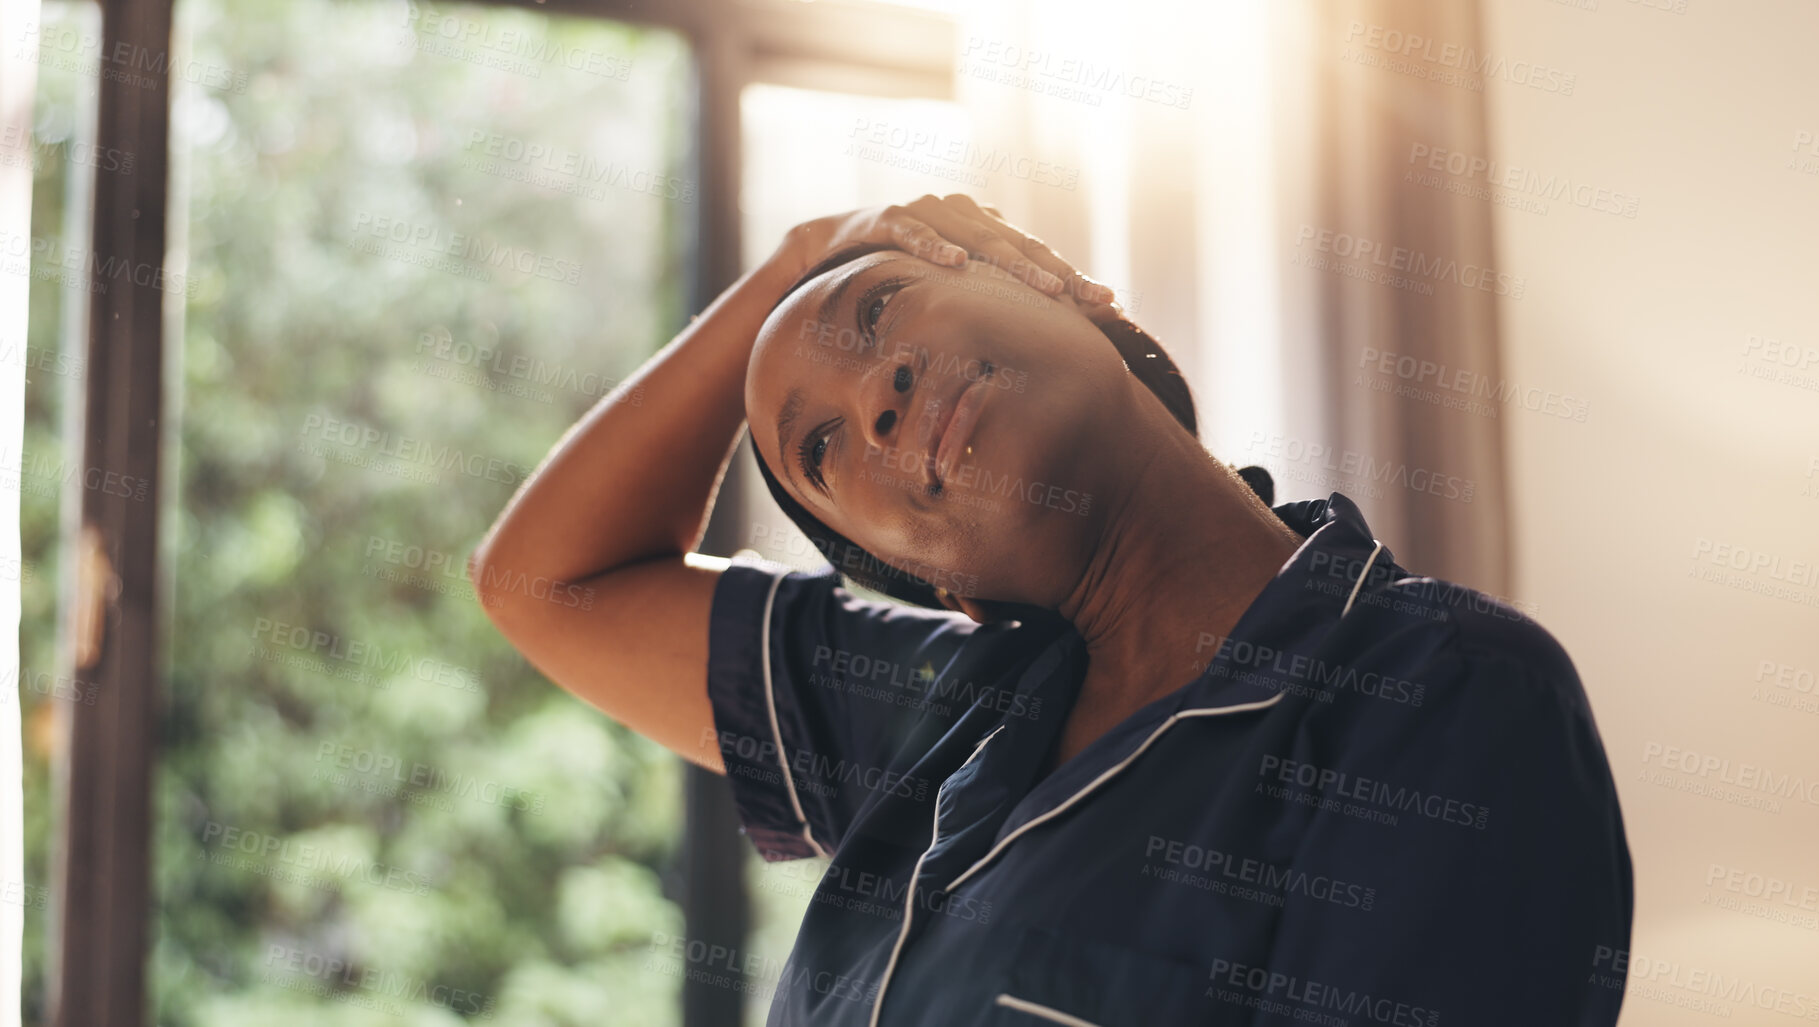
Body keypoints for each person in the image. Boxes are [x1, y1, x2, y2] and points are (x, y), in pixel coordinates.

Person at [472, 194, 1634, 1026]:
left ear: (1050, 287)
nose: (874, 400)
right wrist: (800, 259)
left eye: (878, 312)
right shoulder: (929, 717)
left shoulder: (1441, 699)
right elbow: (543, 585)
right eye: (819, 446)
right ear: (930, 579)